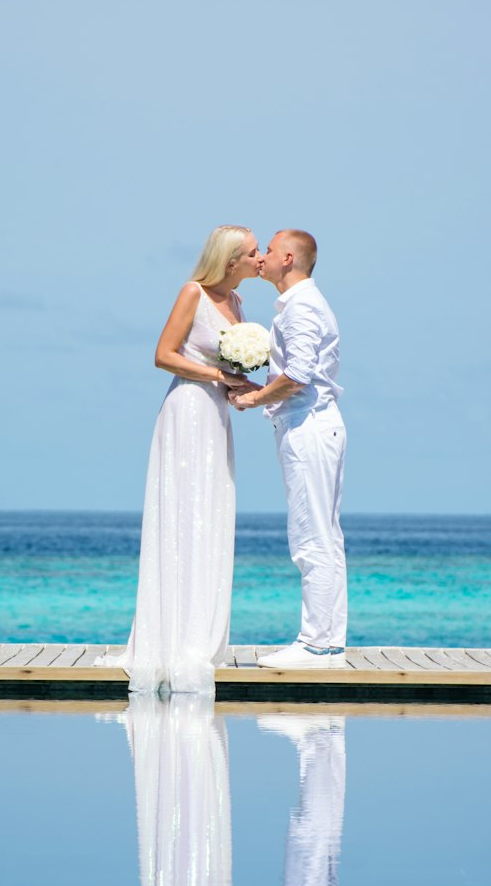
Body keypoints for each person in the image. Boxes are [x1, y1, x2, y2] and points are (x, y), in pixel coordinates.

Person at [105, 225, 260, 693]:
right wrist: (217, 373)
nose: (261, 259)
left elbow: (229, 369)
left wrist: (240, 384)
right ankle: (168, 635)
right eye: (254, 253)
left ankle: (200, 633)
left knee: (210, 516)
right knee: (181, 516)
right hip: (187, 409)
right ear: (230, 260)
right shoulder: (192, 293)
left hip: (216, 414)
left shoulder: (237, 305)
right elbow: (163, 355)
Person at [231, 230, 347, 669]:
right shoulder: (302, 305)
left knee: (310, 538)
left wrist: (253, 399)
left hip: (309, 427)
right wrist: (262, 390)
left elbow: (298, 374)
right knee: (324, 536)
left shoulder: (301, 307)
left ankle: (316, 643)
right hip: (313, 424)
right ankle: (328, 642)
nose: (260, 258)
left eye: (269, 251)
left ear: (289, 258)